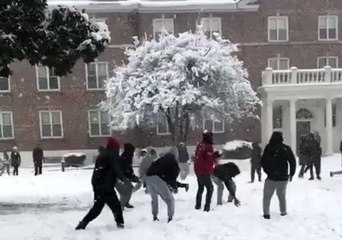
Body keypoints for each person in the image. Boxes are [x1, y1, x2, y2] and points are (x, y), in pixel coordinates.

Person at [76, 137, 125, 230]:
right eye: (117, 148)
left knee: (98, 208)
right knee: (115, 206)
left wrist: (96, 185)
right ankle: (120, 224)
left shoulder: (103, 155)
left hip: (99, 186)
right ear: (114, 148)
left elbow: (100, 171)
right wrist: (122, 177)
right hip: (106, 187)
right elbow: (116, 168)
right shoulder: (111, 155)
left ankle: (83, 223)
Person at [261, 132, 296, 219]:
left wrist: (267, 171)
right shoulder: (285, 148)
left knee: (267, 196)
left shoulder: (268, 148)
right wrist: (291, 173)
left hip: (271, 177)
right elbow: (292, 161)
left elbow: (263, 161)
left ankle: (266, 213)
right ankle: (283, 212)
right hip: (283, 177)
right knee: (281, 195)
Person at [145, 153, 180, 222]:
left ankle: (155, 216)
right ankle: (170, 218)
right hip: (156, 178)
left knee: (154, 198)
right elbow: (171, 178)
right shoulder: (174, 164)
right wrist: (175, 186)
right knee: (170, 199)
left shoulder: (161, 160)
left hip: (148, 177)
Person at [194, 130, 216, 212]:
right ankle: (207, 207)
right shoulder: (208, 147)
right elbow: (209, 160)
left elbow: (196, 156)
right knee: (210, 188)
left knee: (200, 187)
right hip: (204, 170)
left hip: (197, 169)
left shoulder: (200, 144)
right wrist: (211, 169)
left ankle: (198, 205)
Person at [116, 143, 140, 209]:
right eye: (132, 150)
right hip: (120, 177)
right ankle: (121, 205)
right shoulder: (125, 157)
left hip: (124, 176)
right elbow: (126, 169)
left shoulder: (127, 156)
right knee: (127, 190)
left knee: (127, 189)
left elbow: (129, 169)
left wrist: (133, 176)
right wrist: (133, 177)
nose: (133, 152)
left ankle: (125, 202)